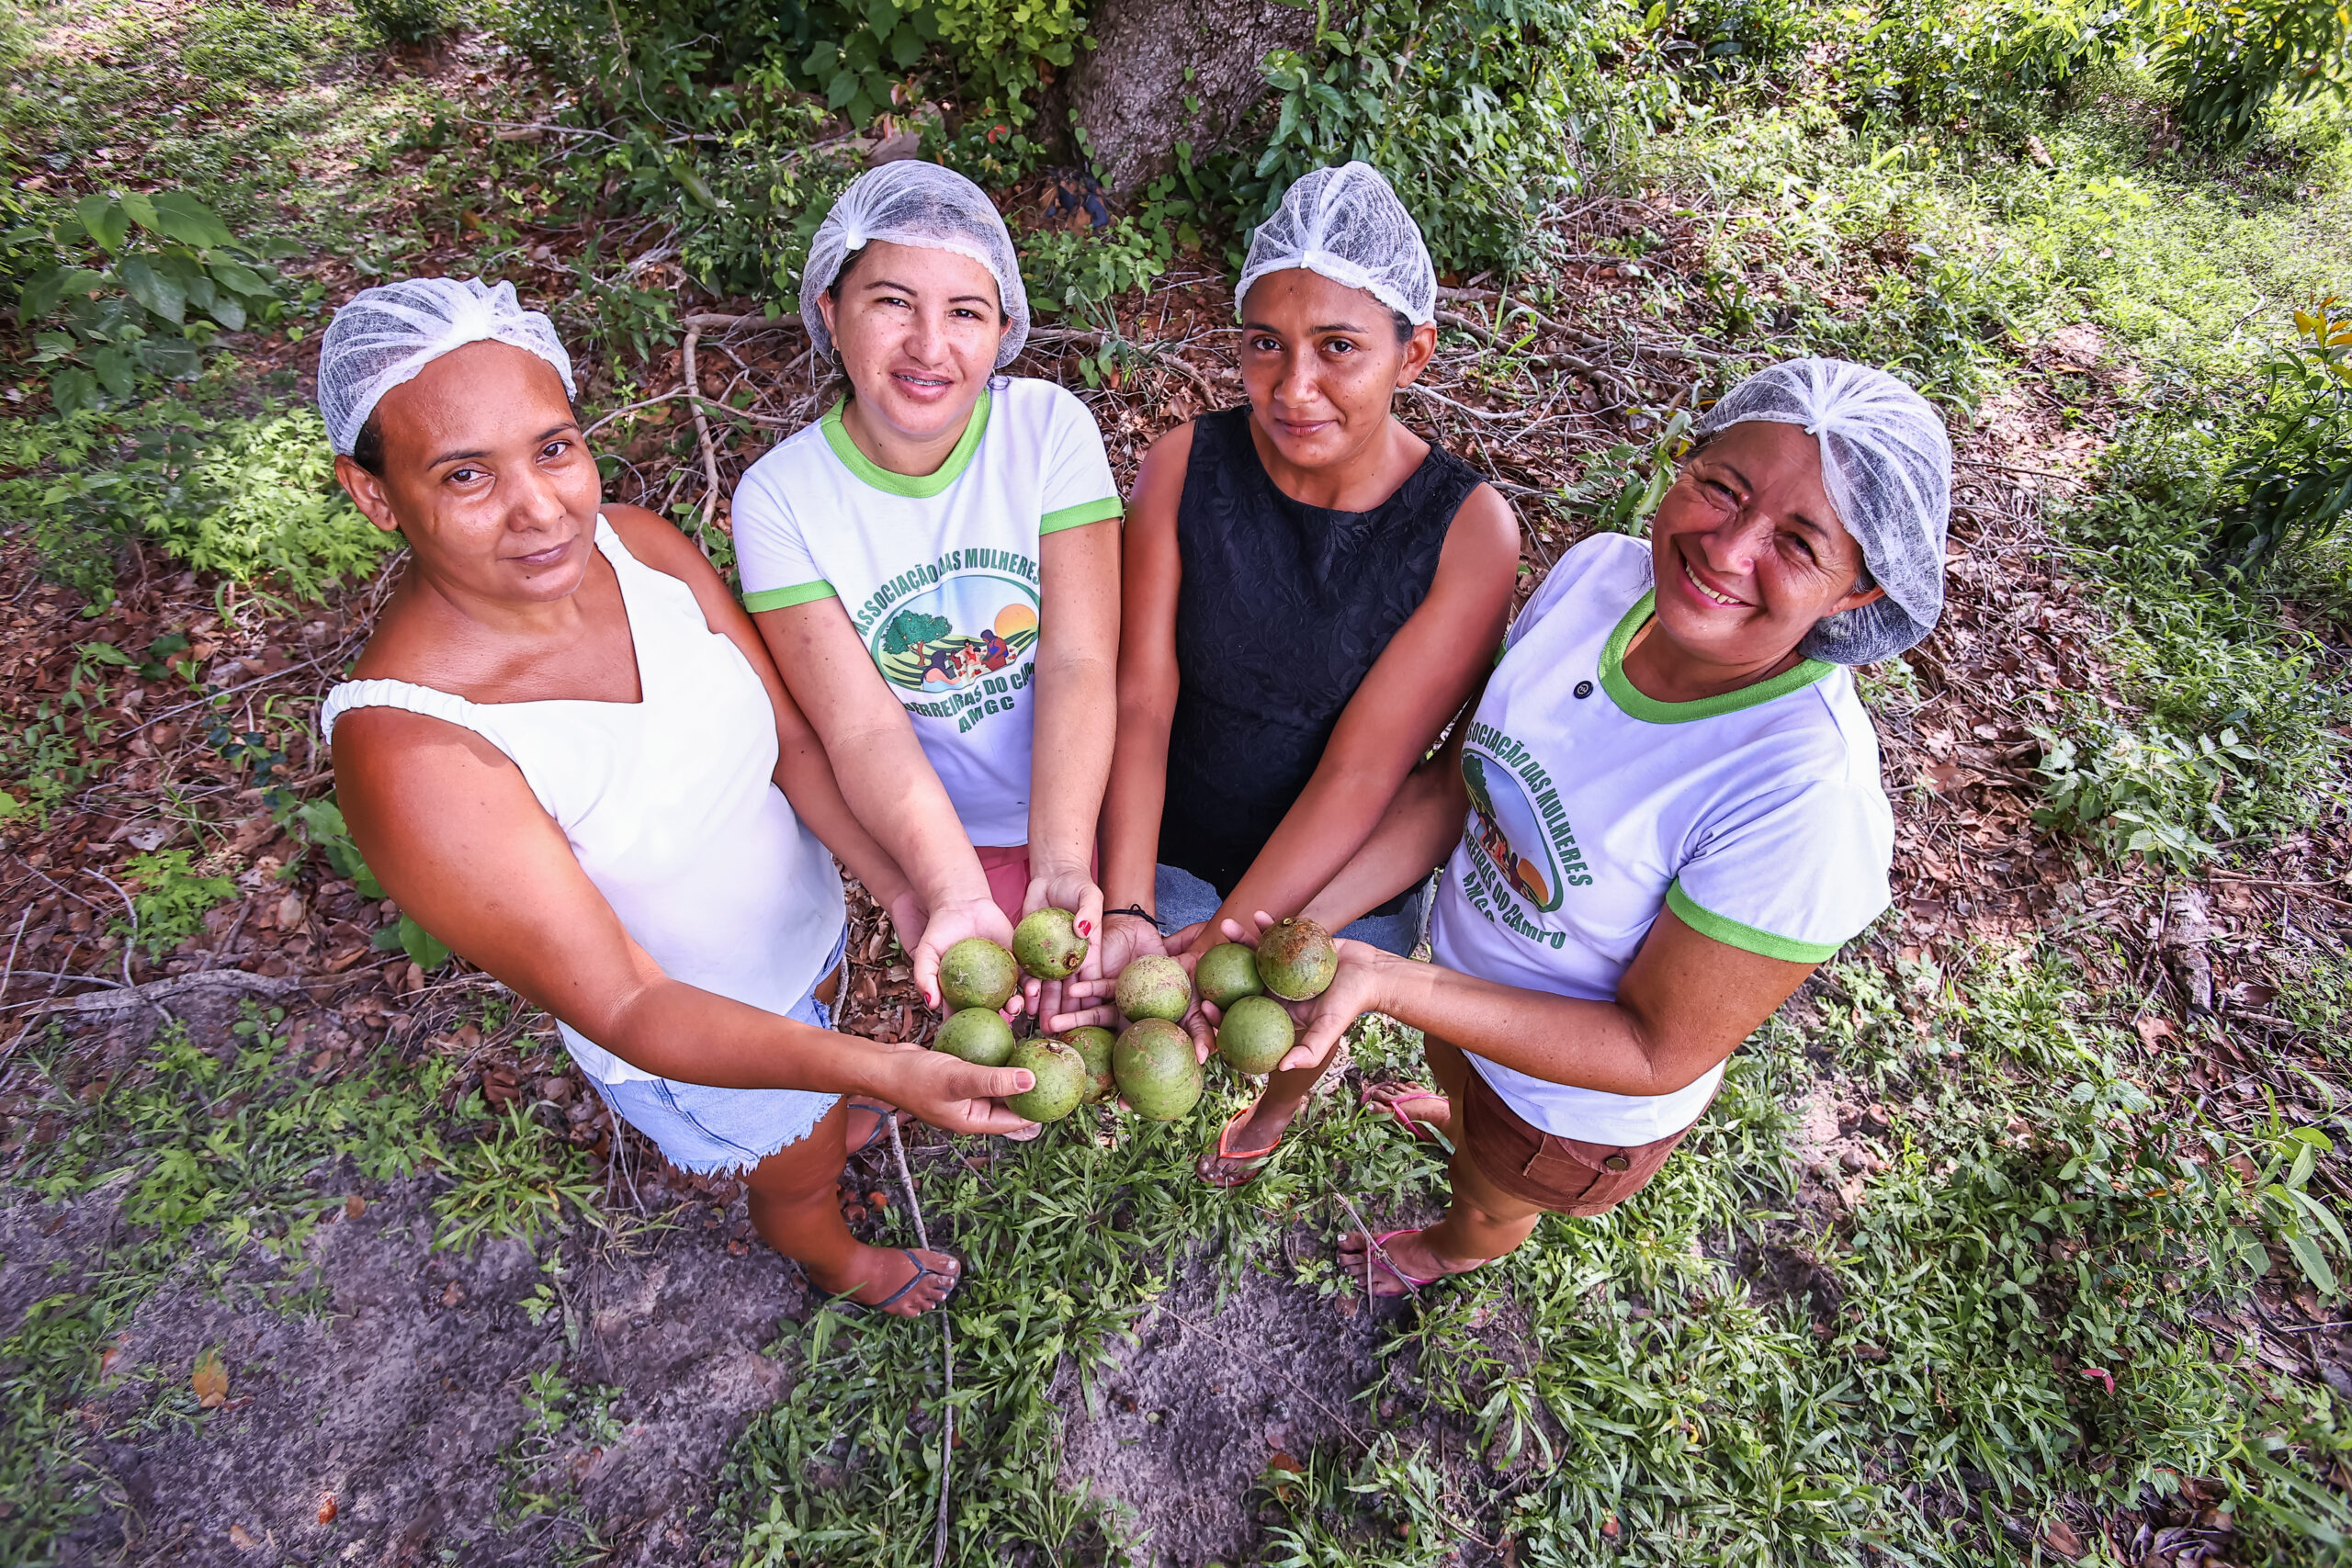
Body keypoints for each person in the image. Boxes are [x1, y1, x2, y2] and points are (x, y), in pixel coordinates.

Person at [318, 278, 1037, 1317]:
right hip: (690, 1037)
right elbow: (629, 1002)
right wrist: (889, 1071)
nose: (540, 509)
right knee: (793, 1177)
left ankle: (830, 1107)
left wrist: (901, 890)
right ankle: (834, 1258)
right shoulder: (413, 748)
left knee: (822, 1100)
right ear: (375, 494)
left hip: (805, 944)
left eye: (554, 447)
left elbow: (787, 740)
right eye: (465, 474)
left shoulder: (636, 546)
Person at [1197, 358, 1951, 1289]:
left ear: (1856, 593)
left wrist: (1388, 982)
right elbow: (1451, 791)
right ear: (1685, 461)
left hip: (1569, 1109)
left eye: (1798, 544)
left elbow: (1654, 1048)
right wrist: (1303, 927)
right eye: (1721, 486)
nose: (1726, 549)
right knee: (1464, 1092)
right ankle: (1462, 1111)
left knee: (1493, 1191)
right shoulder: (1598, 575)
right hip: (1462, 996)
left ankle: (1445, 1248)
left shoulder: (1803, 792)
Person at [1070, 163, 1521, 1180]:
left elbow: (1368, 770)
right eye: (1263, 345)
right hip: (1171, 823)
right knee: (1141, 1013)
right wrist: (1138, 907)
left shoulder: (1466, 531)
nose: (1291, 388)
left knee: (1300, 1016)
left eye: (1339, 349)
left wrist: (1234, 934)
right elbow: (1142, 695)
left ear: (1415, 355)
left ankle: (1274, 1112)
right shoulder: (1186, 462)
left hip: (1336, 862)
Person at [731, 162, 1123, 1021]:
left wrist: (1063, 860)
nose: (929, 344)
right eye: (892, 301)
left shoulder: (1048, 431)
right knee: (995, 1024)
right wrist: (948, 884)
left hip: (1075, 793)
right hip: (930, 828)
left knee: (1076, 1022)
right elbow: (861, 724)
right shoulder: (779, 499)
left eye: (965, 312)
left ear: (1005, 327)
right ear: (831, 313)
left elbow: (1080, 660)